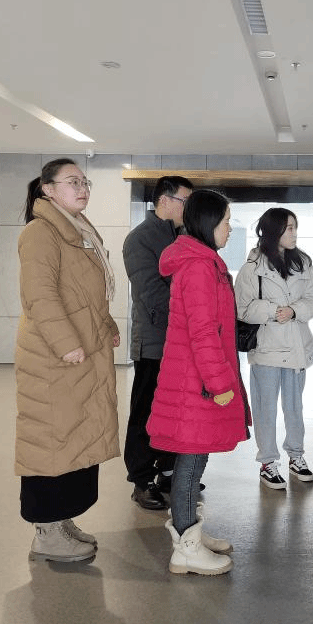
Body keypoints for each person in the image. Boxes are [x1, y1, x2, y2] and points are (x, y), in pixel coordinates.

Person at [14, 158, 121, 562]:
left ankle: (61, 519)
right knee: (50, 439)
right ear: (48, 189)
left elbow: (89, 294)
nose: (83, 189)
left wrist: (107, 324)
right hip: (53, 358)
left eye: (85, 182)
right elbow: (39, 294)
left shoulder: (78, 230)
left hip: (81, 353)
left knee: (75, 436)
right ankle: (46, 531)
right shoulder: (40, 232)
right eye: (72, 182)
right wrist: (65, 342)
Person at [147, 189, 251, 575]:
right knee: (190, 462)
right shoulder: (198, 268)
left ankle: (188, 529)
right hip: (197, 382)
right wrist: (221, 383)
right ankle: (186, 548)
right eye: (226, 221)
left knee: (196, 456)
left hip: (196, 379)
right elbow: (204, 332)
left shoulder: (204, 262)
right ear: (208, 223)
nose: (229, 228)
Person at [236, 208, 313, 490]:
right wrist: (274, 311)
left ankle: (296, 456)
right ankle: (267, 462)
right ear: (273, 231)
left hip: (297, 347)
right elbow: (242, 309)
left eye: (295, 227)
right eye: (289, 228)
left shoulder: (303, 263)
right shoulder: (252, 269)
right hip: (267, 349)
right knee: (265, 408)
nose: (294, 233)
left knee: (294, 406)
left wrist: (294, 310)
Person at [122, 175, 194, 511]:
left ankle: (166, 471)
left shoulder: (184, 235)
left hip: (181, 342)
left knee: (174, 412)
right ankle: (140, 479)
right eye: (184, 201)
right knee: (146, 413)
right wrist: (190, 311)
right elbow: (151, 293)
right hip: (154, 342)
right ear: (164, 200)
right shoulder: (140, 239)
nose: (188, 208)